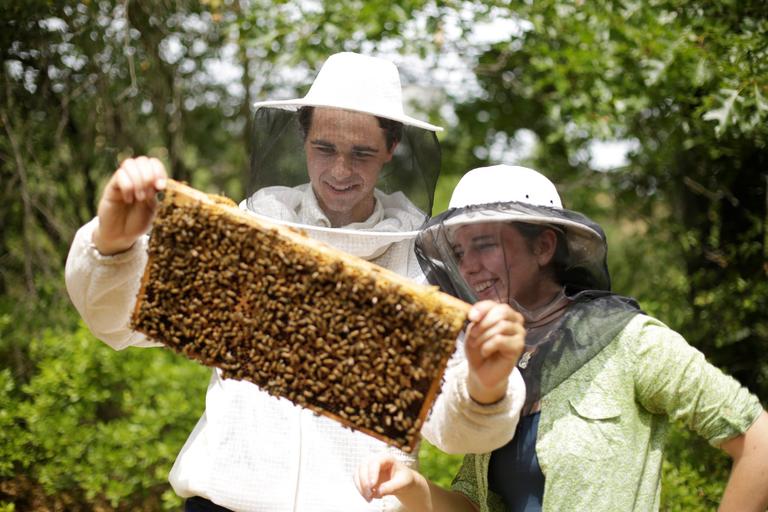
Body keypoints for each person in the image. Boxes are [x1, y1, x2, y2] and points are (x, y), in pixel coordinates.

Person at [65, 54, 527, 512]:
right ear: (303, 138)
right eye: (325, 148)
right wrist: (113, 244)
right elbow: (120, 325)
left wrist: (485, 387)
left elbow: (455, 428)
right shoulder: (252, 225)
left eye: (362, 152)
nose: (341, 170)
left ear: (391, 149)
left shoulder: (423, 261)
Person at [355, 164, 768, 511]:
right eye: (460, 252)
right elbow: (477, 504)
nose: (469, 267)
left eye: (483, 245)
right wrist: (414, 488)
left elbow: (759, 442)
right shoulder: (494, 360)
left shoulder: (628, 342)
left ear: (544, 246)